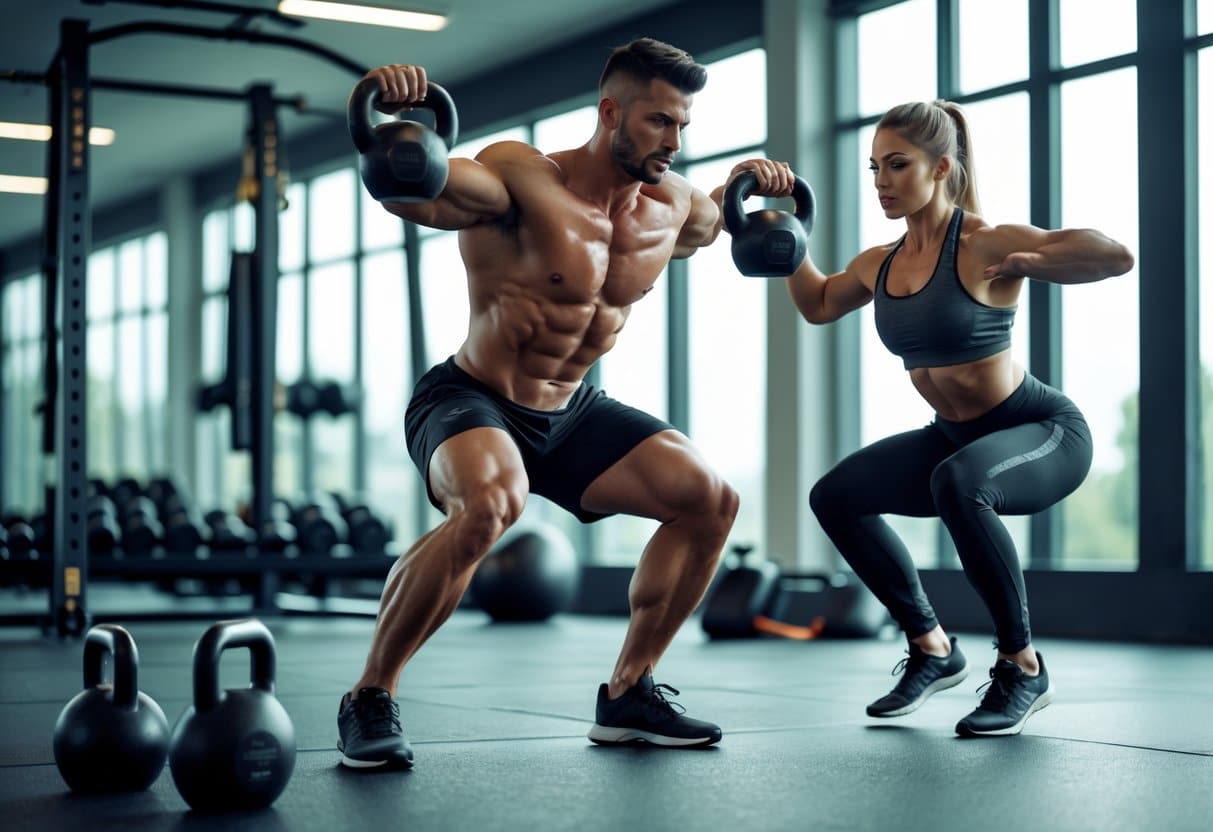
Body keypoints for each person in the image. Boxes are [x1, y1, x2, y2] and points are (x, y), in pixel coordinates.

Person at [337, 39, 796, 768]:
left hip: (573, 408)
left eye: (681, 126)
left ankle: (629, 692)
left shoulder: (671, 208)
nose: (673, 142)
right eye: (657, 122)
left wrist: (746, 183)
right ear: (610, 111)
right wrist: (382, 122)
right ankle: (370, 696)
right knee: (490, 504)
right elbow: (420, 187)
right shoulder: (521, 177)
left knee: (710, 500)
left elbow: (717, 221)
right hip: (471, 397)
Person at [774, 100, 1134, 737]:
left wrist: (1034, 263)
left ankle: (1022, 667)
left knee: (960, 482)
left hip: (1041, 431)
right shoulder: (879, 262)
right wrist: (785, 235)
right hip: (954, 438)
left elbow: (1113, 255)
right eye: (874, 167)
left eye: (897, 165)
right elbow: (819, 303)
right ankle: (932, 647)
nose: (882, 180)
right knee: (836, 495)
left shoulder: (983, 242)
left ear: (941, 168)